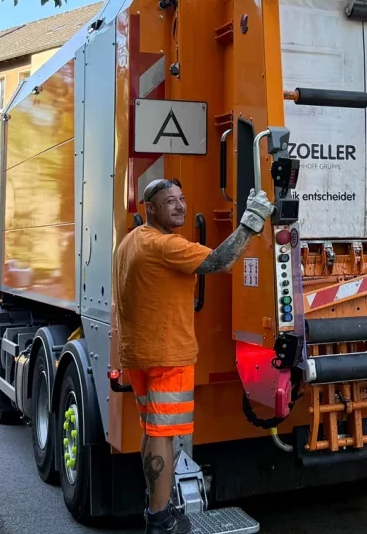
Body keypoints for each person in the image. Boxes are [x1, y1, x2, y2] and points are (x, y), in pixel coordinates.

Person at [113, 178, 274, 534]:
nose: (179, 206)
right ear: (149, 208)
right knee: (162, 433)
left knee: (152, 431)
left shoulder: (130, 241)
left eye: (182, 198)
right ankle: (160, 519)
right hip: (168, 355)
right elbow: (220, 261)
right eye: (168, 201)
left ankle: (157, 504)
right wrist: (252, 221)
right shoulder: (165, 245)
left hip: (139, 352)